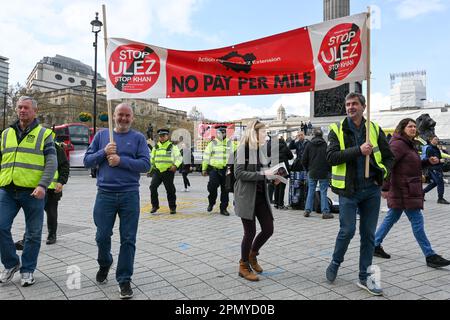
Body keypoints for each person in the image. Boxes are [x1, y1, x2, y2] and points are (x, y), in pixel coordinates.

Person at [325, 92, 394, 296]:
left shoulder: (373, 128)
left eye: (355, 103)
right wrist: (358, 150)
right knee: (347, 231)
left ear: (364, 107)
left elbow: (390, 156)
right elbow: (331, 157)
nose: (350, 107)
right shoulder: (336, 129)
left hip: (371, 190)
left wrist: (383, 174)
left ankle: (365, 277)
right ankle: (336, 261)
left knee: (369, 235)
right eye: (348, 104)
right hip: (348, 191)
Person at [83, 103, 150, 299]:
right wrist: (104, 152)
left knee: (128, 239)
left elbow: (146, 165)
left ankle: (124, 279)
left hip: (129, 195)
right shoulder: (102, 136)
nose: (123, 118)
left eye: (127, 115)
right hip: (105, 195)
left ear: (133, 118)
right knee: (102, 236)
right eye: (120, 115)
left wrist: (122, 161)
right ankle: (105, 263)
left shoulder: (138, 138)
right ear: (114, 116)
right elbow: (87, 161)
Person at [373, 118, 450, 268]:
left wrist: (428, 162)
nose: (413, 129)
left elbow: (412, 164)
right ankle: (430, 255)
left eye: (415, 126)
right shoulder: (398, 144)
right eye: (410, 126)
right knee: (417, 221)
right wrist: (385, 187)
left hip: (408, 188)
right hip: (404, 189)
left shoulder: (409, 144)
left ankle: (374, 244)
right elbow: (389, 165)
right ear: (402, 128)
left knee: (391, 218)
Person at [0, 96, 57, 287]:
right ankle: (12, 264)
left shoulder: (44, 134)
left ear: (35, 111)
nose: (22, 110)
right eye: (19, 107)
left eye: (26, 107)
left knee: (32, 234)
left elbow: (51, 162)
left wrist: (42, 185)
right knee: (0, 227)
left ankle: (28, 270)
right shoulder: (6, 133)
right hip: (7, 189)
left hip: (33, 192)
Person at [234, 120, 276, 281]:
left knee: (268, 229)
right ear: (254, 133)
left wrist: (273, 176)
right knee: (249, 232)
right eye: (263, 132)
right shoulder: (243, 149)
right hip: (246, 196)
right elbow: (239, 173)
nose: (265, 135)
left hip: (261, 196)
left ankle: (252, 255)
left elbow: (262, 171)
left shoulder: (260, 150)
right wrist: (262, 175)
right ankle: (243, 266)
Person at [15, 133, 70, 249]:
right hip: (36, 187)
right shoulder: (33, 147)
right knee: (33, 214)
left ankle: (52, 235)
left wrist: (61, 182)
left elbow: (64, 166)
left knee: (51, 213)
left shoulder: (57, 148)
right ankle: (27, 239)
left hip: (52, 188)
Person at [202, 125, 237, 216]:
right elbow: (206, 157)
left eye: (223, 132)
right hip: (215, 170)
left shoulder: (231, 143)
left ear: (225, 133)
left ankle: (223, 208)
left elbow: (236, 156)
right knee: (212, 188)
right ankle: (211, 202)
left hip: (226, 170)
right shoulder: (212, 143)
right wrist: (204, 168)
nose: (221, 134)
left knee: (225, 190)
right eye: (219, 132)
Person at [149, 128, 182, 215]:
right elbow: (152, 159)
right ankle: (155, 206)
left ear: (168, 136)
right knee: (152, 187)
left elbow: (179, 158)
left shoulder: (172, 147)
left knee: (170, 190)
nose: (162, 137)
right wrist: (150, 170)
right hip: (157, 171)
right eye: (160, 136)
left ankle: (172, 207)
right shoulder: (156, 147)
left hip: (168, 171)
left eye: (164, 136)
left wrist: (175, 165)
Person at [301, 128, 332, 219]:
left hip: (312, 171)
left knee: (311, 190)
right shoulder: (325, 145)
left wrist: (308, 169)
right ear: (322, 135)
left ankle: (307, 210)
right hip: (324, 172)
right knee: (323, 192)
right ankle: (325, 212)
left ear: (313, 135)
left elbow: (303, 160)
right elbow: (329, 159)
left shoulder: (309, 145)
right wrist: (329, 170)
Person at [423, 135, 449, 204]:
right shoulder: (430, 148)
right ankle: (440, 199)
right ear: (431, 140)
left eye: (437, 139)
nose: (437, 141)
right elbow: (429, 160)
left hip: (437, 167)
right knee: (440, 182)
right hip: (434, 168)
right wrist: (440, 161)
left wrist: (443, 151)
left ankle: (421, 193)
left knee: (435, 183)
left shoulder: (436, 148)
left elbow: (440, 156)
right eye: (435, 139)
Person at [272, 136, 293, 209]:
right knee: (282, 187)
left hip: (276, 168)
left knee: (276, 186)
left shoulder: (274, 148)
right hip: (283, 168)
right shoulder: (285, 147)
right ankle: (281, 204)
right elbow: (291, 156)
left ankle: (276, 203)